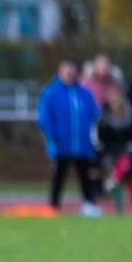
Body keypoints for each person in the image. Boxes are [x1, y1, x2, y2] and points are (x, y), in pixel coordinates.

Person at [36, 58, 102, 216]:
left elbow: (94, 114)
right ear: (60, 72)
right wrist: (54, 135)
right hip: (61, 144)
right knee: (59, 176)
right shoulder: (51, 92)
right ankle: (54, 205)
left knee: (85, 175)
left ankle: (89, 204)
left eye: (72, 71)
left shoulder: (84, 93)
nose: (69, 74)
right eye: (66, 71)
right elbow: (44, 118)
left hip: (82, 144)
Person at [93, 89, 132, 214]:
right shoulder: (103, 120)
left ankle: (115, 180)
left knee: (128, 163)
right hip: (111, 158)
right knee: (128, 170)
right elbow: (99, 142)